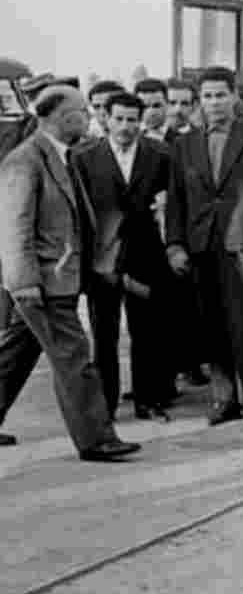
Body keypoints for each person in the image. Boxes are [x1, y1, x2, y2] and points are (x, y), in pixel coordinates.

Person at [0, 85, 142, 460]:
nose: (90, 117)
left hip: (58, 277)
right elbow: (13, 228)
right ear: (63, 117)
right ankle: (96, 439)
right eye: (83, 111)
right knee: (75, 359)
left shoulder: (62, 156)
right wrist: (24, 283)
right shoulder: (25, 160)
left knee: (14, 356)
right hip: (43, 282)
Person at [165, 66, 243, 424]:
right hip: (200, 244)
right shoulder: (184, 144)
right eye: (208, 96)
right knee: (210, 323)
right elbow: (177, 199)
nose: (214, 103)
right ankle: (223, 398)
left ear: (234, 97)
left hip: (240, 244)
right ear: (201, 100)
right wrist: (175, 244)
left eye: (221, 95)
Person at [73, 92, 174, 420]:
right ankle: (107, 403)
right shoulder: (84, 157)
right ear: (105, 118)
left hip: (145, 256)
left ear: (141, 120)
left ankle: (147, 399)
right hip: (103, 259)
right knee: (104, 333)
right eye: (119, 119)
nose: (126, 126)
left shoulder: (160, 154)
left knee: (147, 331)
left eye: (132, 119)